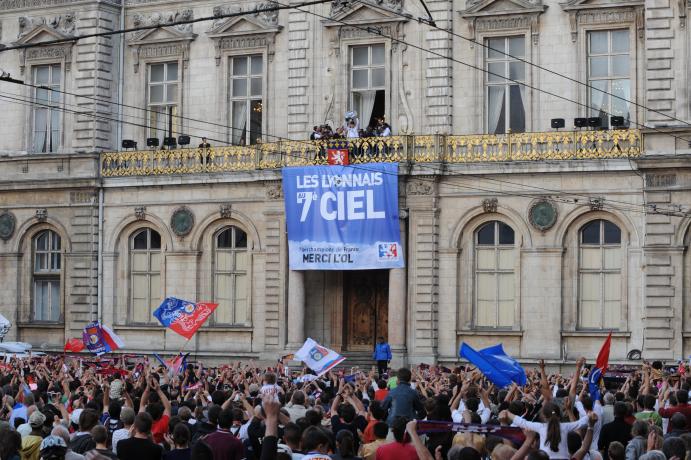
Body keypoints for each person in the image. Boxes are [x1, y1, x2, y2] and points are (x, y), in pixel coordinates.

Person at [500, 402, 590, 459]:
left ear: (543, 416)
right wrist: (590, 415)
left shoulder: (540, 427)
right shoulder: (565, 426)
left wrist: (508, 413)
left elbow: (523, 423)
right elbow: (580, 423)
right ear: (559, 415)